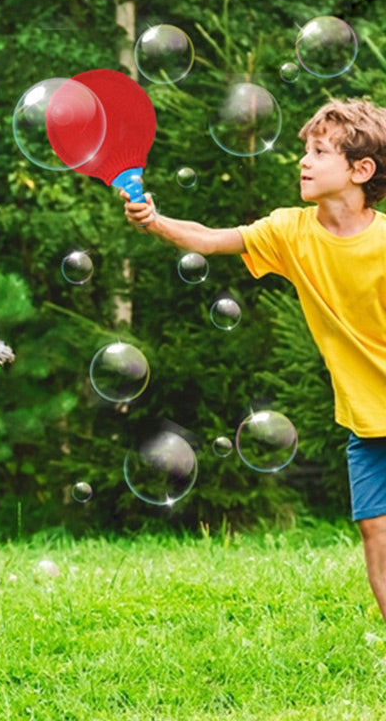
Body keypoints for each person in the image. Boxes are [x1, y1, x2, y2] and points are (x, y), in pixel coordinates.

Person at [122, 97, 386, 624]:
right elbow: (211, 239)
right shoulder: (291, 230)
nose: (303, 161)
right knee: (376, 531)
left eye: (318, 152)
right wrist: (155, 222)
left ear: (361, 170)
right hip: (367, 417)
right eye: (304, 151)